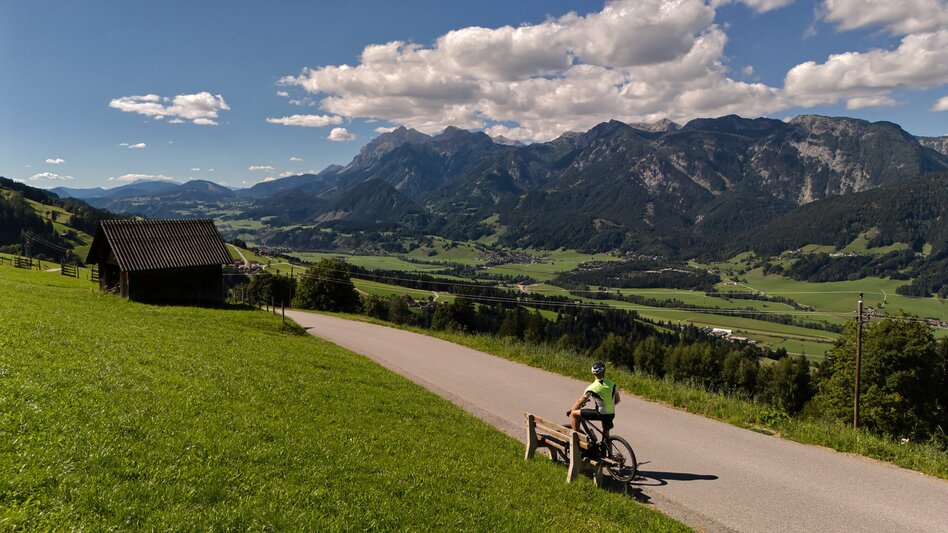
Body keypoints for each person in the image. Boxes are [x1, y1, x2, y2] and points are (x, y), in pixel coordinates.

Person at [567, 361, 620, 439]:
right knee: (606, 436)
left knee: (573, 414)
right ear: (604, 372)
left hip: (600, 414)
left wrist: (571, 410)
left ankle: (575, 440)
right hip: (611, 413)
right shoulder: (612, 384)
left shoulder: (592, 387)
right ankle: (607, 450)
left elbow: (579, 401)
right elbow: (617, 400)